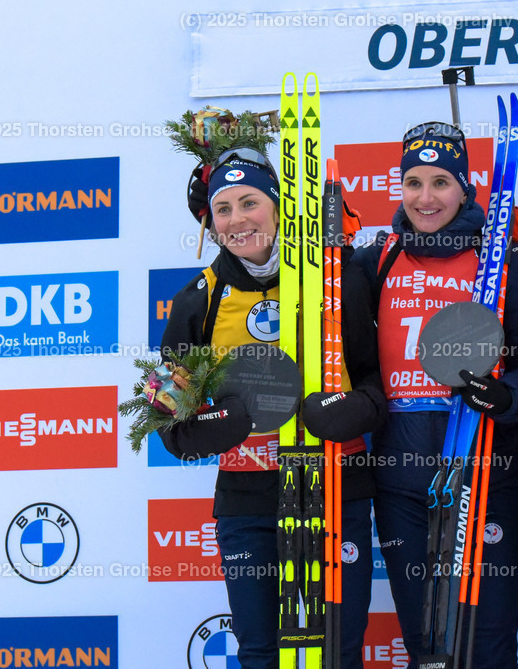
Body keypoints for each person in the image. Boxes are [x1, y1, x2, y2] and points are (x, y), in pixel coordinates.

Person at [159, 148, 383, 669]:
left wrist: (356, 409)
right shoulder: (196, 301)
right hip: (248, 499)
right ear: (210, 222)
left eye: (250, 202)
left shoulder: (336, 281)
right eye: (224, 209)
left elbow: (375, 378)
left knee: (337, 650)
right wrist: (217, 425)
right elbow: (168, 420)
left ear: (279, 206)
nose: (238, 220)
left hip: (335, 486)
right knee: (262, 653)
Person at [332, 122, 518, 667]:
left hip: (485, 470)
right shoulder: (375, 261)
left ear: (465, 186)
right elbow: (344, 344)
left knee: (487, 640)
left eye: (441, 183)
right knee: (427, 643)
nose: (426, 197)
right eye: (414, 182)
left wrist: (507, 395)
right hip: (400, 483)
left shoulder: (504, 261)